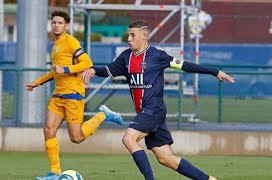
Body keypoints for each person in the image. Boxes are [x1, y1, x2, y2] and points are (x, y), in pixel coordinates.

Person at [82, 20, 235, 180]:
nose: (129, 39)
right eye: (128, 35)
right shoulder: (125, 57)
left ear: (144, 36)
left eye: (133, 35)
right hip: (148, 113)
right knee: (165, 158)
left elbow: (184, 66)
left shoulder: (157, 56)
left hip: (153, 110)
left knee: (129, 138)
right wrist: (93, 70)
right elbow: (108, 70)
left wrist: (214, 71)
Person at [25, 11, 124, 180]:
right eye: (54, 22)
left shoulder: (71, 42)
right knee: (49, 130)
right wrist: (38, 82)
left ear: (67, 26)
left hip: (73, 95)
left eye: (60, 23)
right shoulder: (55, 45)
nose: (56, 25)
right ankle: (55, 173)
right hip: (58, 96)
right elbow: (55, 71)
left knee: (76, 138)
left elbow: (87, 63)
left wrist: (66, 69)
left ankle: (103, 115)